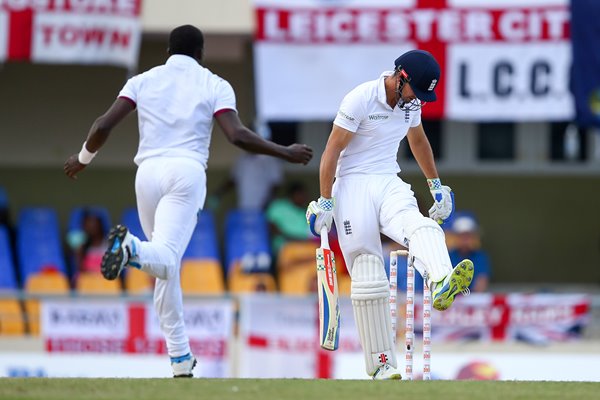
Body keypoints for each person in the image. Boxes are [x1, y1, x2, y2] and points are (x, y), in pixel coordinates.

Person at [64, 25, 313, 378]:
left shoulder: (143, 80)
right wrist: (284, 152)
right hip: (186, 173)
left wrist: (83, 158)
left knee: (166, 267)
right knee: (164, 259)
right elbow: (237, 135)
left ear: (168, 50)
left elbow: (103, 124)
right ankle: (130, 248)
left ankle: (180, 357)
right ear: (201, 52)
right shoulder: (214, 83)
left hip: (146, 174)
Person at [306, 50, 474, 380]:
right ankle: (382, 364)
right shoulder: (360, 98)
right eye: (416, 91)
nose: (417, 100)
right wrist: (326, 201)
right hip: (352, 184)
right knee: (368, 271)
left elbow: (418, 140)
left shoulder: (412, 104)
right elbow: (332, 150)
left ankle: (441, 280)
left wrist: (435, 185)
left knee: (422, 225)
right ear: (400, 77)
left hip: (388, 179)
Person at [448, 212, 491, 292]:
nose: (465, 240)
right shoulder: (447, 256)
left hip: (473, 301)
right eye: (461, 236)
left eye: (468, 236)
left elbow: (481, 284)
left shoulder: (481, 257)